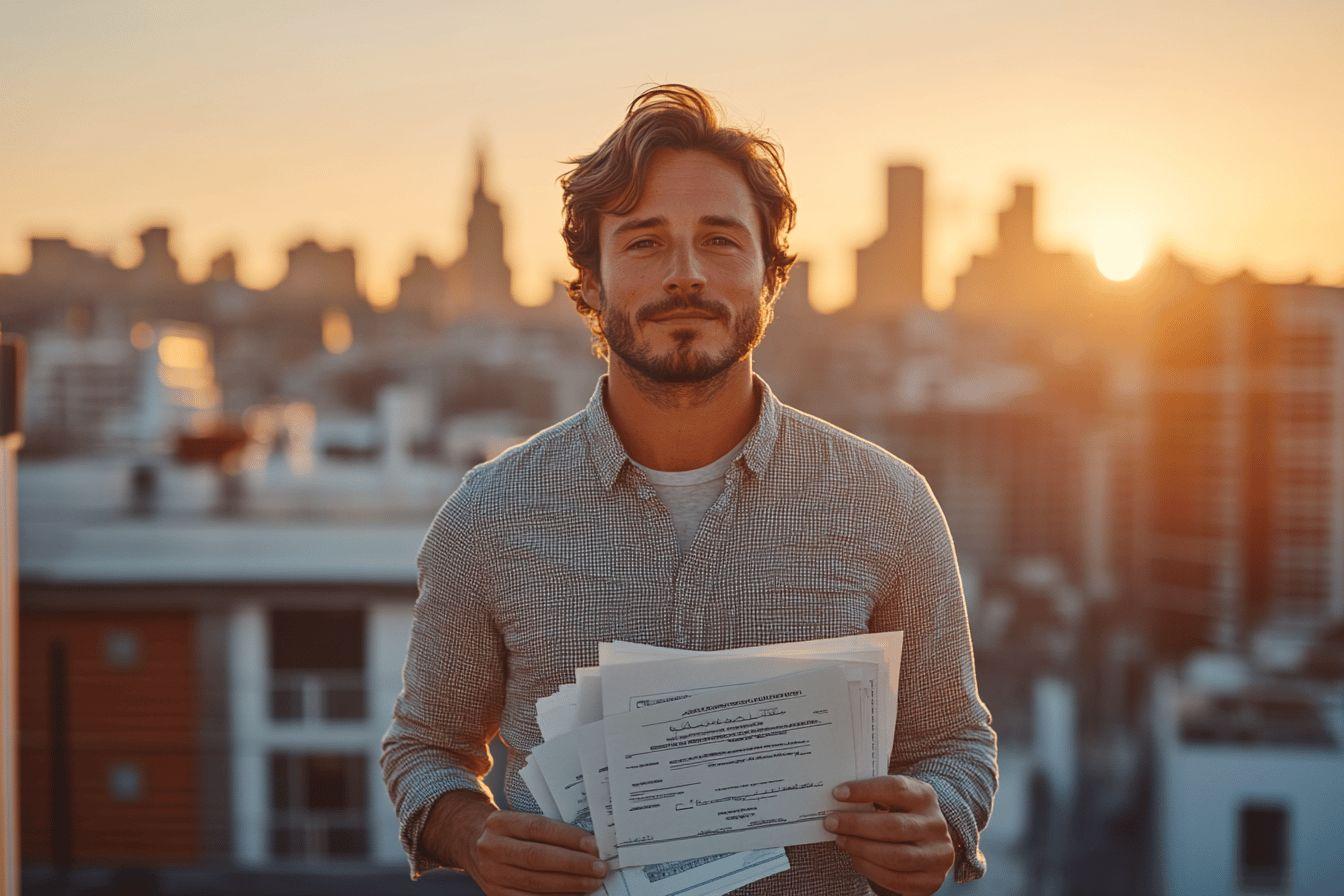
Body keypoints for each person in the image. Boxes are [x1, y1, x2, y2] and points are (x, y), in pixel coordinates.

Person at [381, 84, 997, 896]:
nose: (685, 275)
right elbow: (425, 749)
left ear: (770, 279)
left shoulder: (888, 504)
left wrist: (940, 820)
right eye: (643, 243)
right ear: (590, 283)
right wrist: (475, 836)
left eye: (720, 241)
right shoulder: (487, 518)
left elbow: (955, 744)